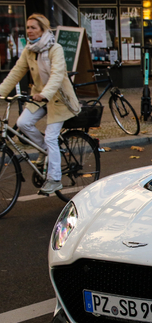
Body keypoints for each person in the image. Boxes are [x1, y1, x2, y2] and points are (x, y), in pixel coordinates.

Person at [0, 14, 80, 195]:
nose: (29, 31)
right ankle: (44, 150)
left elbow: (58, 74)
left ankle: (54, 179)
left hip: (59, 99)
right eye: (27, 27)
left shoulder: (55, 48)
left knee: (51, 136)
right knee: (22, 123)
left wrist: (45, 94)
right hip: (39, 98)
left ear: (43, 29)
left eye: (33, 27)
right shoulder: (29, 51)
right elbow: (15, 73)